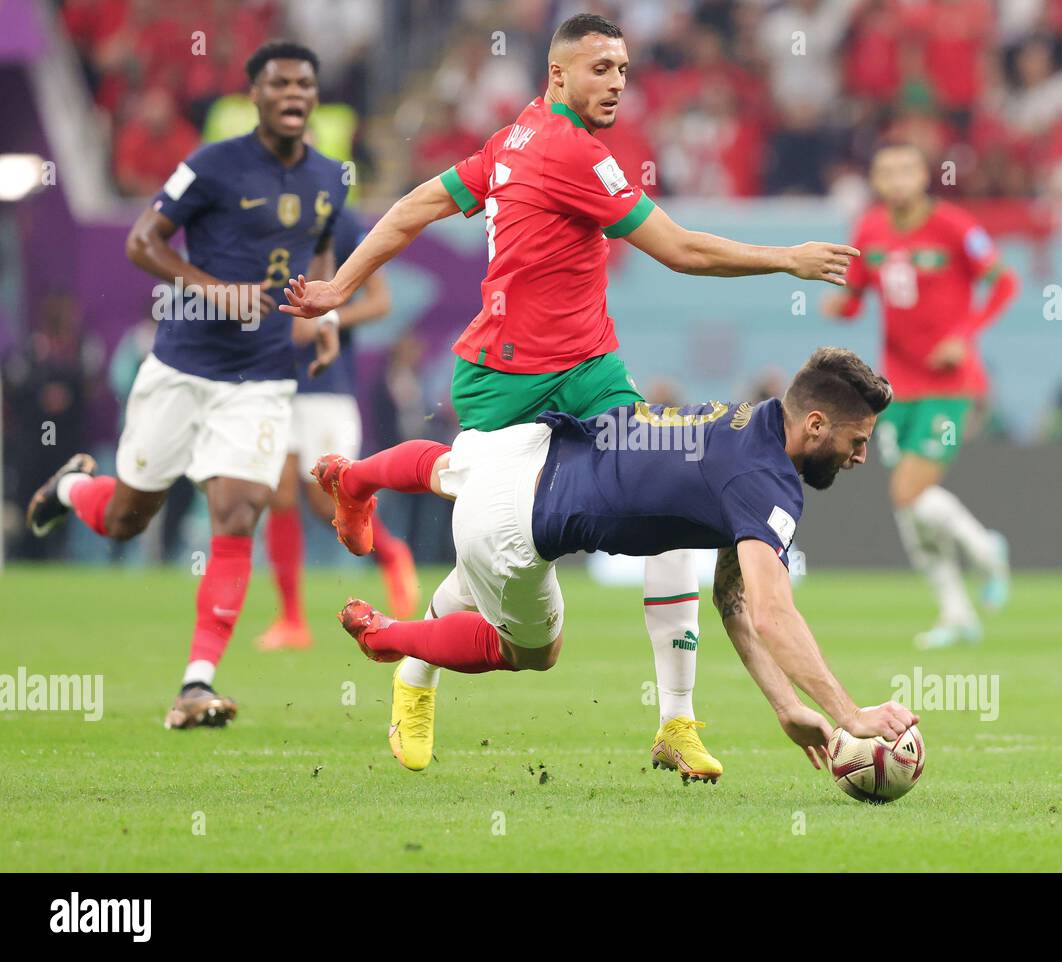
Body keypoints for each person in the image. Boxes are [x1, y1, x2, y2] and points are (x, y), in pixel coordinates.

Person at [279, 13, 860, 780]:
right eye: (599, 69)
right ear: (557, 75)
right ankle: (362, 505)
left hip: (587, 371)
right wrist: (786, 258)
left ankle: (677, 722)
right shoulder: (568, 152)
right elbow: (680, 250)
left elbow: (420, 203)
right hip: (505, 377)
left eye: (622, 68)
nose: (616, 82)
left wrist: (338, 286)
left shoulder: (515, 136)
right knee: (471, 486)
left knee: (677, 490)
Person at [320, 347, 918, 778]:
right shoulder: (766, 484)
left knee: (451, 466)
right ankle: (391, 639)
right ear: (815, 425)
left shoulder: (751, 420)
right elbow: (771, 612)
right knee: (532, 652)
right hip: (514, 525)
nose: (861, 456)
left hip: (532, 445)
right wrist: (849, 715)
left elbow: (732, 598)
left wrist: (788, 707)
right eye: (857, 441)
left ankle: (357, 476)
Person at [25, 41, 346, 729]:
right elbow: (142, 240)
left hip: (260, 376)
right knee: (125, 519)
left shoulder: (329, 177)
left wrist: (326, 314)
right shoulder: (211, 166)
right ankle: (72, 488)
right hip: (182, 365)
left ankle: (196, 684)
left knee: (239, 511)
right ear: (253, 95)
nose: (294, 95)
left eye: (305, 86)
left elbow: (321, 249)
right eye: (279, 84)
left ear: (315, 97)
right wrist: (212, 290)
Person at [823, 142, 1016, 650]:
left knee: (907, 492)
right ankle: (956, 613)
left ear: (924, 176)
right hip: (896, 387)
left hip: (950, 385)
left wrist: (964, 335)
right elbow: (856, 297)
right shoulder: (869, 229)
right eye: (886, 170)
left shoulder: (954, 226)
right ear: (878, 181)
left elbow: (1003, 283)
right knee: (909, 510)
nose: (897, 178)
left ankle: (985, 549)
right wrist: (836, 304)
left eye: (906, 168)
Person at [255, 206, 420, 651]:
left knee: (323, 495)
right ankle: (291, 620)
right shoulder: (257, 218)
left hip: (326, 381)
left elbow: (380, 301)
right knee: (279, 492)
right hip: (272, 380)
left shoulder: (338, 222)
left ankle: (390, 555)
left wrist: (324, 318)